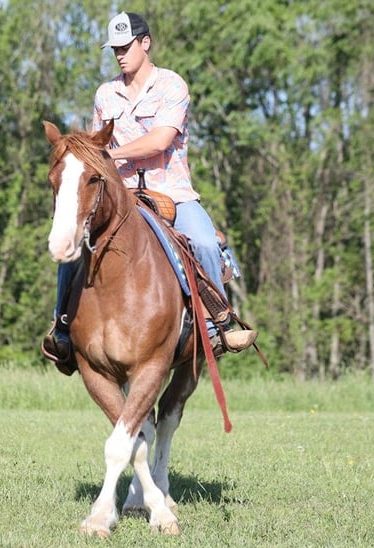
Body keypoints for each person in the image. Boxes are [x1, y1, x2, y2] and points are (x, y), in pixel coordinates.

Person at [42, 12, 256, 373]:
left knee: (203, 240)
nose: (120, 55)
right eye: (115, 49)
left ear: (145, 43)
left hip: (170, 191)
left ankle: (214, 325)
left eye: (126, 47)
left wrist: (109, 153)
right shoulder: (105, 94)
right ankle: (62, 326)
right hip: (119, 193)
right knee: (74, 243)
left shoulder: (173, 86)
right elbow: (96, 144)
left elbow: (160, 140)